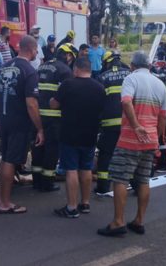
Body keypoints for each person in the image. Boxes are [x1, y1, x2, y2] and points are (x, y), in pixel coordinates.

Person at [97, 51, 166, 237]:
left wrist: (136, 126)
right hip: (150, 141)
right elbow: (163, 117)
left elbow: (126, 103)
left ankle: (118, 222)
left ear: (132, 66)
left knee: (120, 178)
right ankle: (139, 220)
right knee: (143, 180)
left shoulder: (131, 79)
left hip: (130, 139)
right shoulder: (160, 84)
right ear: (150, 66)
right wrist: (156, 139)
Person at [0, 35, 44, 214]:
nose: (37, 52)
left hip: (5, 119)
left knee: (4, 157)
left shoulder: (4, 66)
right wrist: (40, 128)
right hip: (20, 122)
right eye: (36, 49)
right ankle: (5, 203)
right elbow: (31, 103)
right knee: (10, 160)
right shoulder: (29, 71)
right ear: (30, 49)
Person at [51, 57, 106, 218]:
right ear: (89, 69)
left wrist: (50, 99)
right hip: (90, 133)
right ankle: (85, 202)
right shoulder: (99, 88)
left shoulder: (68, 85)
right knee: (86, 168)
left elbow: (54, 104)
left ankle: (72, 207)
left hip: (69, 134)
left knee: (71, 169)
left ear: (76, 69)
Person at [31, 43, 74, 192]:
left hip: (36, 115)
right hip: (54, 118)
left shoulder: (41, 67)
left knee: (37, 147)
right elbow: (67, 96)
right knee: (51, 149)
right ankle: (47, 182)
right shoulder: (65, 70)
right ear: (68, 55)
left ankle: (36, 180)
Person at [95, 51, 131, 195]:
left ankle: (103, 187)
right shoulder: (130, 74)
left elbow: (97, 102)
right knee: (129, 154)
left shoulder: (102, 77)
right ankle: (134, 183)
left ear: (107, 62)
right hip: (129, 123)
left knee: (106, 154)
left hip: (109, 125)